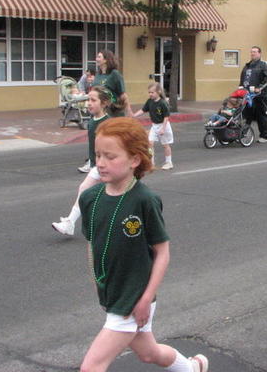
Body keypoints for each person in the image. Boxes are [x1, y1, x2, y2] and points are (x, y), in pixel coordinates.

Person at [78, 117, 208, 372]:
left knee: (91, 367)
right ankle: (192, 368)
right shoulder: (90, 199)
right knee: (149, 354)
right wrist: (98, 286)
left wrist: (145, 299)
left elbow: (162, 252)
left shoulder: (145, 200)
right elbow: (92, 244)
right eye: (98, 155)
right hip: (111, 292)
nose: (101, 163)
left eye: (110, 157)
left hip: (134, 297)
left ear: (134, 160)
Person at [53, 87, 112, 235]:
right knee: (87, 191)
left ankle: (72, 223)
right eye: (88, 100)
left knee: (93, 193)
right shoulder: (93, 120)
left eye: (93, 100)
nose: (89, 104)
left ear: (104, 103)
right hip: (96, 164)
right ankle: (71, 223)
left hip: (106, 166)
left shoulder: (107, 123)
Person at [133, 83, 174, 170]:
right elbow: (143, 110)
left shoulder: (163, 103)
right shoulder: (149, 101)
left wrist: (163, 129)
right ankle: (151, 163)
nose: (150, 94)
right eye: (149, 92)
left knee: (165, 145)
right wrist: (134, 115)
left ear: (158, 92)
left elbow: (166, 117)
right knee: (150, 143)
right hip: (154, 126)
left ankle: (169, 162)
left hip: (164, 126)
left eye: (152, 92)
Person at [239, 46, 267, 143]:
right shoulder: (247, 66)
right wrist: (240, 88)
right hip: (248, 95)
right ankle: (243, 134)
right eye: (251, 52)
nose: (253, 54)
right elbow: (243, 79)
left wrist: (259, 88)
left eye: (255, 52)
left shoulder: (264, 65)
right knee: (246, 115)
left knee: (260, 115)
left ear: (260, 53)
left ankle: (264, 136)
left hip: (261, 95)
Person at [93, 51, 132, 117]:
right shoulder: (98, 74)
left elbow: (123, 95)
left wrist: (129, 112)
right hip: (99, 110)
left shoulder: (114, 74)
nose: (96, 59)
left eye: (99, 57)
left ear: (105, 60)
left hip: (112, 111)